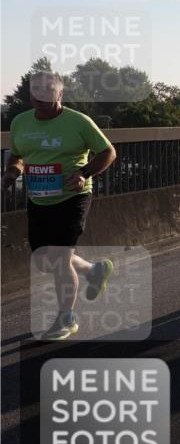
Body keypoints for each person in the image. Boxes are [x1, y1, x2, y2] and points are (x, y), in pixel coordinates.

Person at [2, 72, 117, 340]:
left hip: (73, 198)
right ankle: (94, 270)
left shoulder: (78, 122)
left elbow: (108, 151)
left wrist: (83, 172)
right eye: (36, 91)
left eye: (48, 90)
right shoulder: (20, 122)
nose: (41, 96)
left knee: (60, 258)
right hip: (39, 199)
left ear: (60, 94)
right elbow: (17, 157)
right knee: (44, 261)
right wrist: (11, 173)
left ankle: (67, 318)